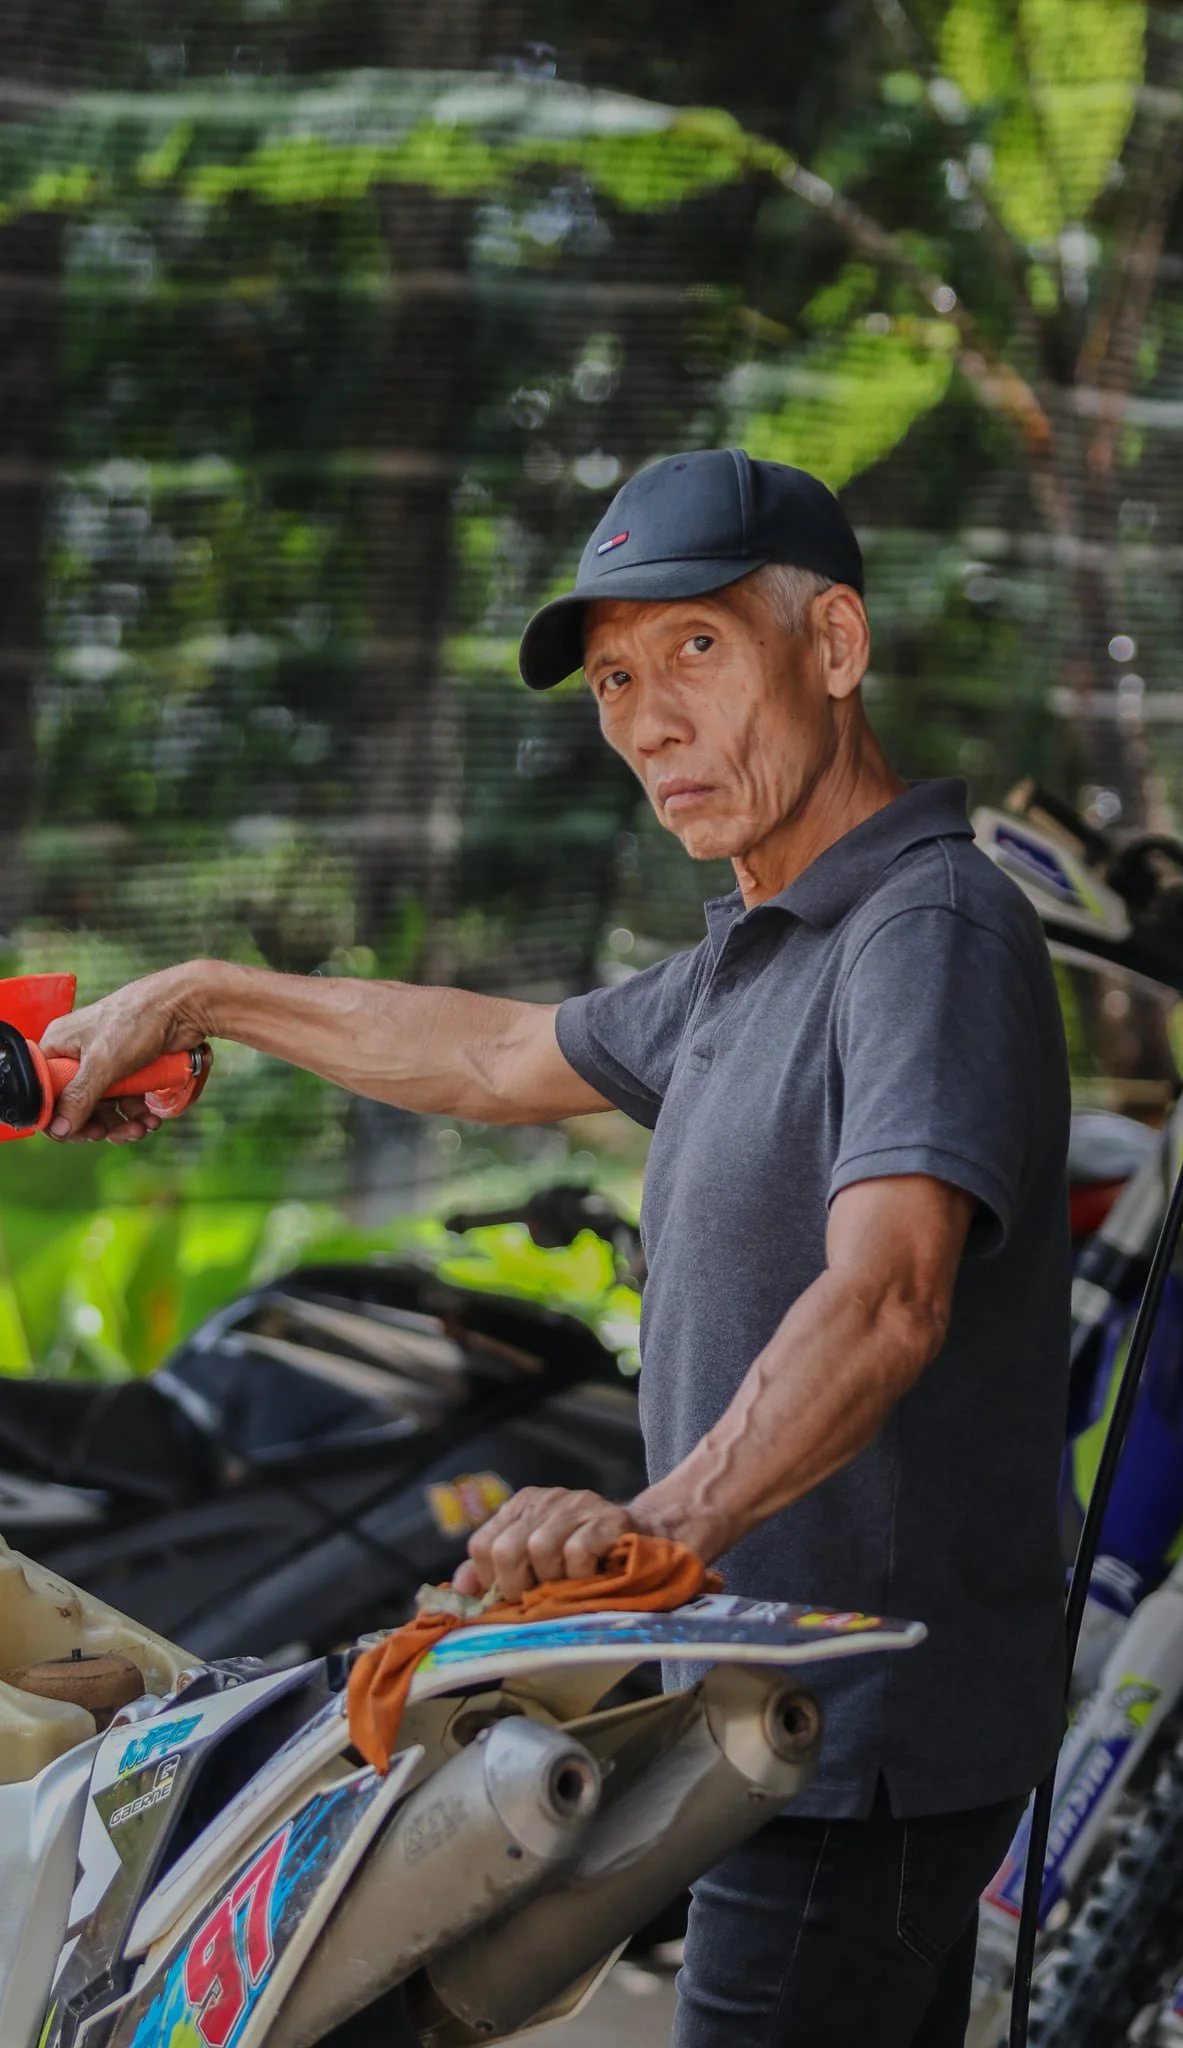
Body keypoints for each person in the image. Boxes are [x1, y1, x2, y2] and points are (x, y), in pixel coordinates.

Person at [42, 449, 1071, 2048]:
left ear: (838, 649)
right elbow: (490, 1059)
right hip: (779, 1719)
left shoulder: (918, 930)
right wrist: (199, 996)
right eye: (612, 679)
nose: (648, 720)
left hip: (854, 1734)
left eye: (698, 652)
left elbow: (887, 1296)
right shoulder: (763, 949)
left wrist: (657, 1525)